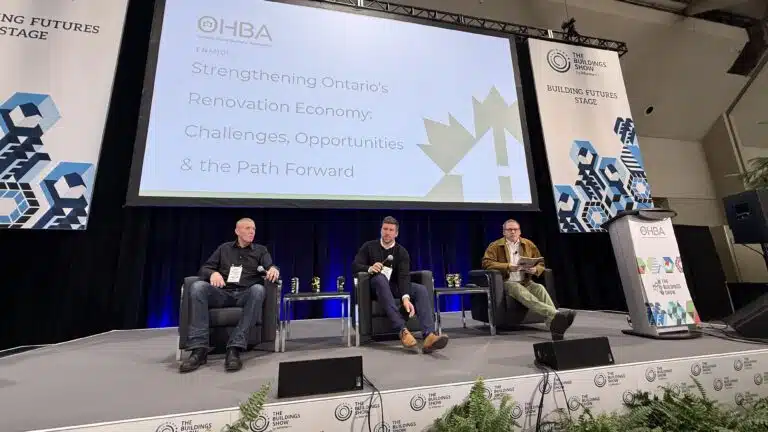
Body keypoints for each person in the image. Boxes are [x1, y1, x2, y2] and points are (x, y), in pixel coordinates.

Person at [179, 218, 279, 373]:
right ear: (237, 231)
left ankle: (235, 347)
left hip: (246, 294)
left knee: (258, 290)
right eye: (247, 228)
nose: (252, 231)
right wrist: (213, 273)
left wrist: (273, 269)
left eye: (253, 229)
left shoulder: (261, 250)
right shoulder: (224, 249)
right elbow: (205, 268)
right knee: (198, 287)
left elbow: (270, 266)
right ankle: (199, 349)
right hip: (223, 293)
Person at [353, 216, 449, 352]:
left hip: (394, 286)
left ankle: (429, 335)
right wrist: (369, 268)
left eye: (391, 230)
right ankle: (402, 330)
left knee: (420, 289)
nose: (387, 232)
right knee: (380, 279)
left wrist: (405, 298)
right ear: (381, 230)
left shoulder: (401, 252)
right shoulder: (369, 246)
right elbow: (355, 265)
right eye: (385, 229)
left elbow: (404, 277)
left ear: (396, 233)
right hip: (374, 287)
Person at [481, 219, 575, 340]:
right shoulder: (495, 246)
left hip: (526, 281)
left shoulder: (528, 244)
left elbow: (541, 262)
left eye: (515, 229)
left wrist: (535, 270)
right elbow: (487, 263)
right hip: (507, 281)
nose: (513, 232)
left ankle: (554, 325)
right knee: (518, 289)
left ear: (520, 231)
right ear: (504, 232)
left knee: (540, 288)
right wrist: (508, 266)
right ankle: (555, 314)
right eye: (509, 229)